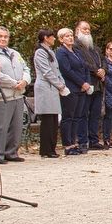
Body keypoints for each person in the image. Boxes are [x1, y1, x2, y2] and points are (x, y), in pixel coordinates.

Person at [0, 26, 31, 163]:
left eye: (5, 37)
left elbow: (26, 68)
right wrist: (13, 83)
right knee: (0, 127)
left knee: (16, 126)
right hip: (2, 95)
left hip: (18, 94)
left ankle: (11, 152)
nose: (3, 39)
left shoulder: (15, 53)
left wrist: (25, 81)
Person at [56, 28, 93, 156]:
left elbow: (85, 67)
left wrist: (87, 83)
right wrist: (81, 83)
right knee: (68, 117)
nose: (70, 38)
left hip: (82, 88)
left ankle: (75, 142)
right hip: (71, 88)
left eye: (71, 35)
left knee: (77, 116)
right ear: (61, 39)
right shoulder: (61, 52)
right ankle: (68, 144)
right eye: (67, 36)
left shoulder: (77, 51)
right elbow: (67, 71)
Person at [33, 29, 67, 158]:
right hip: (45, 88)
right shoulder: (40, 52)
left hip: (53, 88)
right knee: (47, 119)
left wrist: (61, 83)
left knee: (53, 119)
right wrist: (59, 85)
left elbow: (57, 71)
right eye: (52, 37)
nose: (54, 39)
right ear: (46, 38)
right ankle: (46, 149)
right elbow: (47, 72)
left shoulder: (50, 52)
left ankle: (51, 148)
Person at [74, 20, 108, 149]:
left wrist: (103, 70)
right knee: (83, 114)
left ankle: (94, 140)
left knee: (95, 114)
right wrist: (96, 71)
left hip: (98, 85)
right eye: (84, 29)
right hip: (86, 84)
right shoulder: (76, 46)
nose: (87, 31)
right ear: (77, 31)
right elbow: (81, 63)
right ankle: (83, 141)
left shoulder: (95, 48)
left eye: (88, 29)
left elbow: (104, 61)